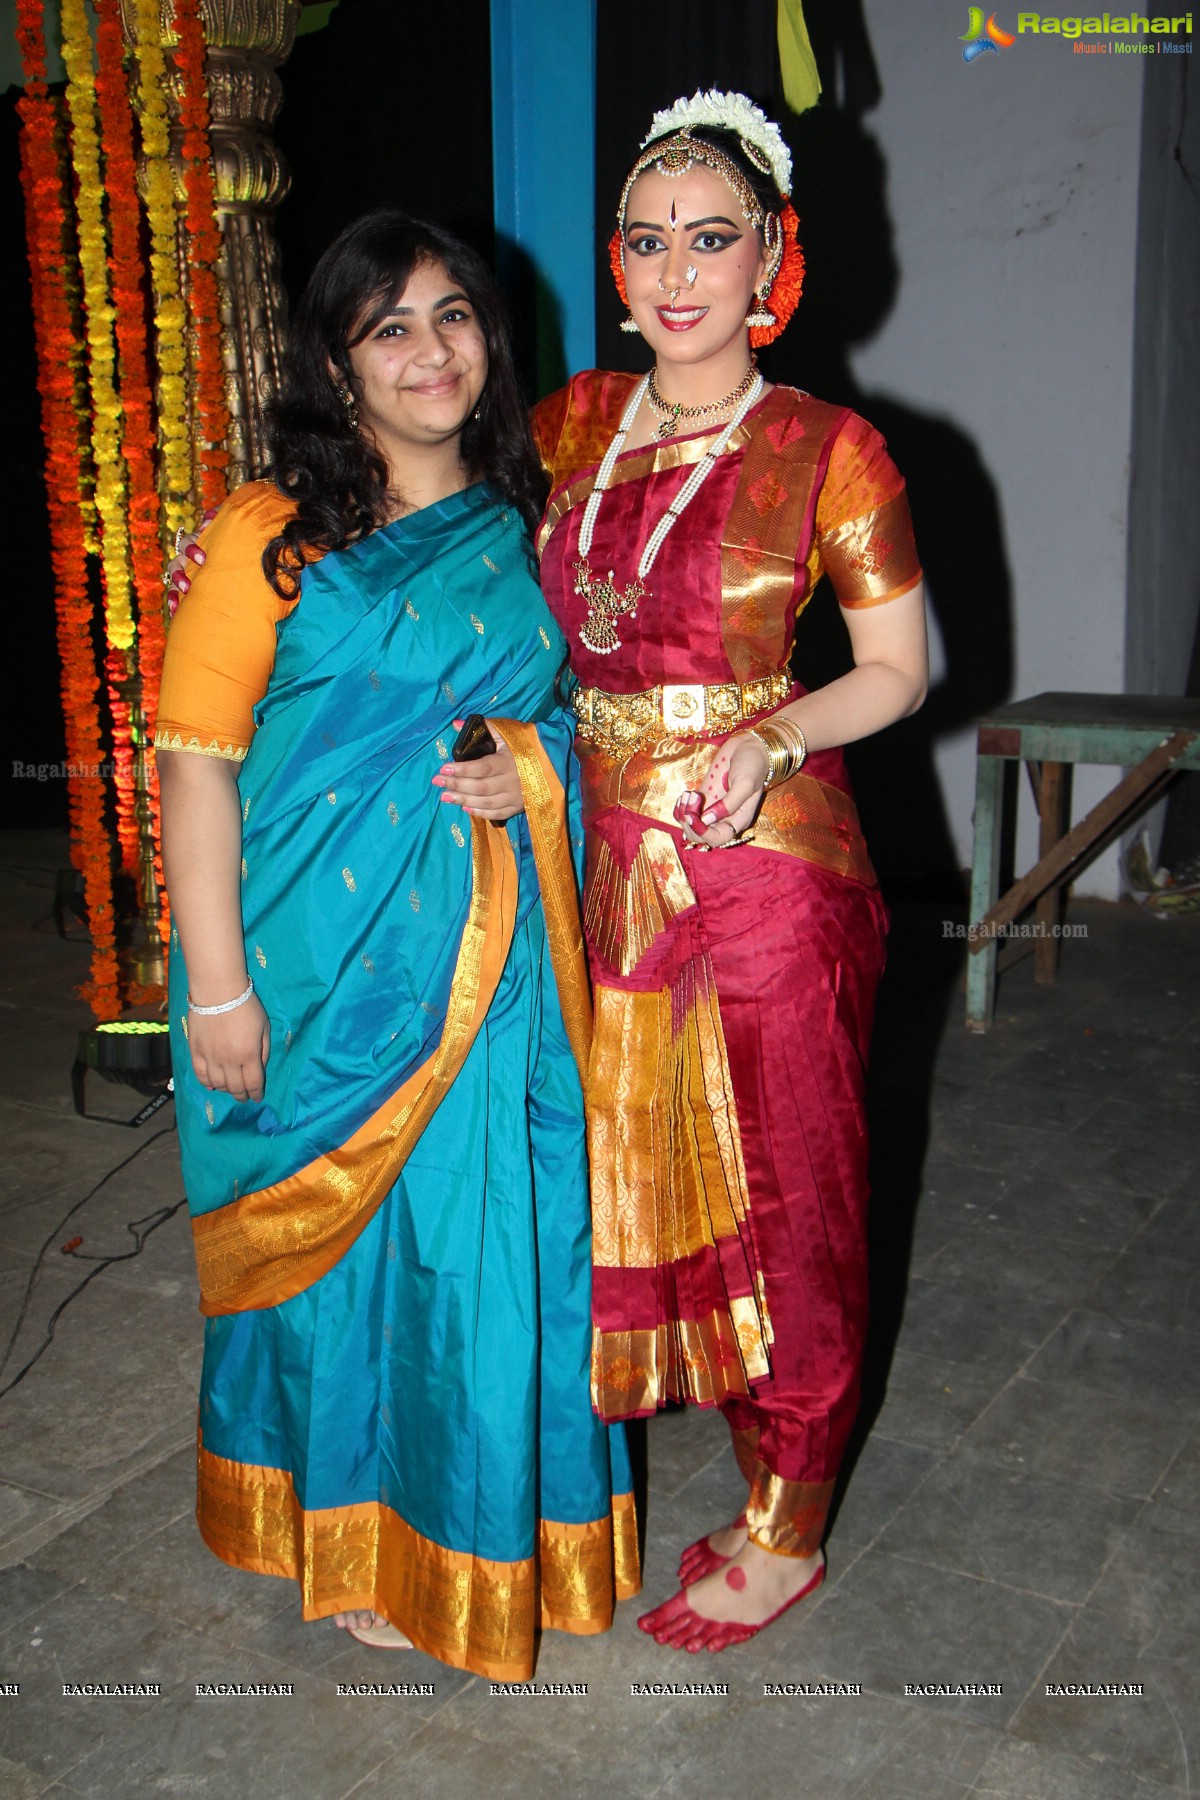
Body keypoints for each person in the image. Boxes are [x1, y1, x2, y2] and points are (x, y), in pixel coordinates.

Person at [154, 209, 639, 1680]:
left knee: (486, 1251)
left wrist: (531, 763)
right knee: (341, 1259)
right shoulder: (263, 536)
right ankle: (346, 1530)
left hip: (490, 976)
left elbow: (589, 715)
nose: (431, 352)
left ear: (490, 341)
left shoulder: (528, 526)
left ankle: (491, 1528)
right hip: (312, 972)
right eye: (390, 327)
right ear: (335, 362)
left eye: (454, 317)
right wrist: (221, 987)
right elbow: (194, 765)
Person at [523, 90, 928, 1653]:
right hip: (591, 857)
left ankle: (790, 1518)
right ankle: (646, 1466)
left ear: (774, 259)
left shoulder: (833, 448)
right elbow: (436, 539)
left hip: (763, 869)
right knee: (615, 1188)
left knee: (791, 1196)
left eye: (713, 239)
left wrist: (772, 737)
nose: (677, 270)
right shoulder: (563, 425)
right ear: (616, 266)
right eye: (649, 241)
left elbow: (898, 666)